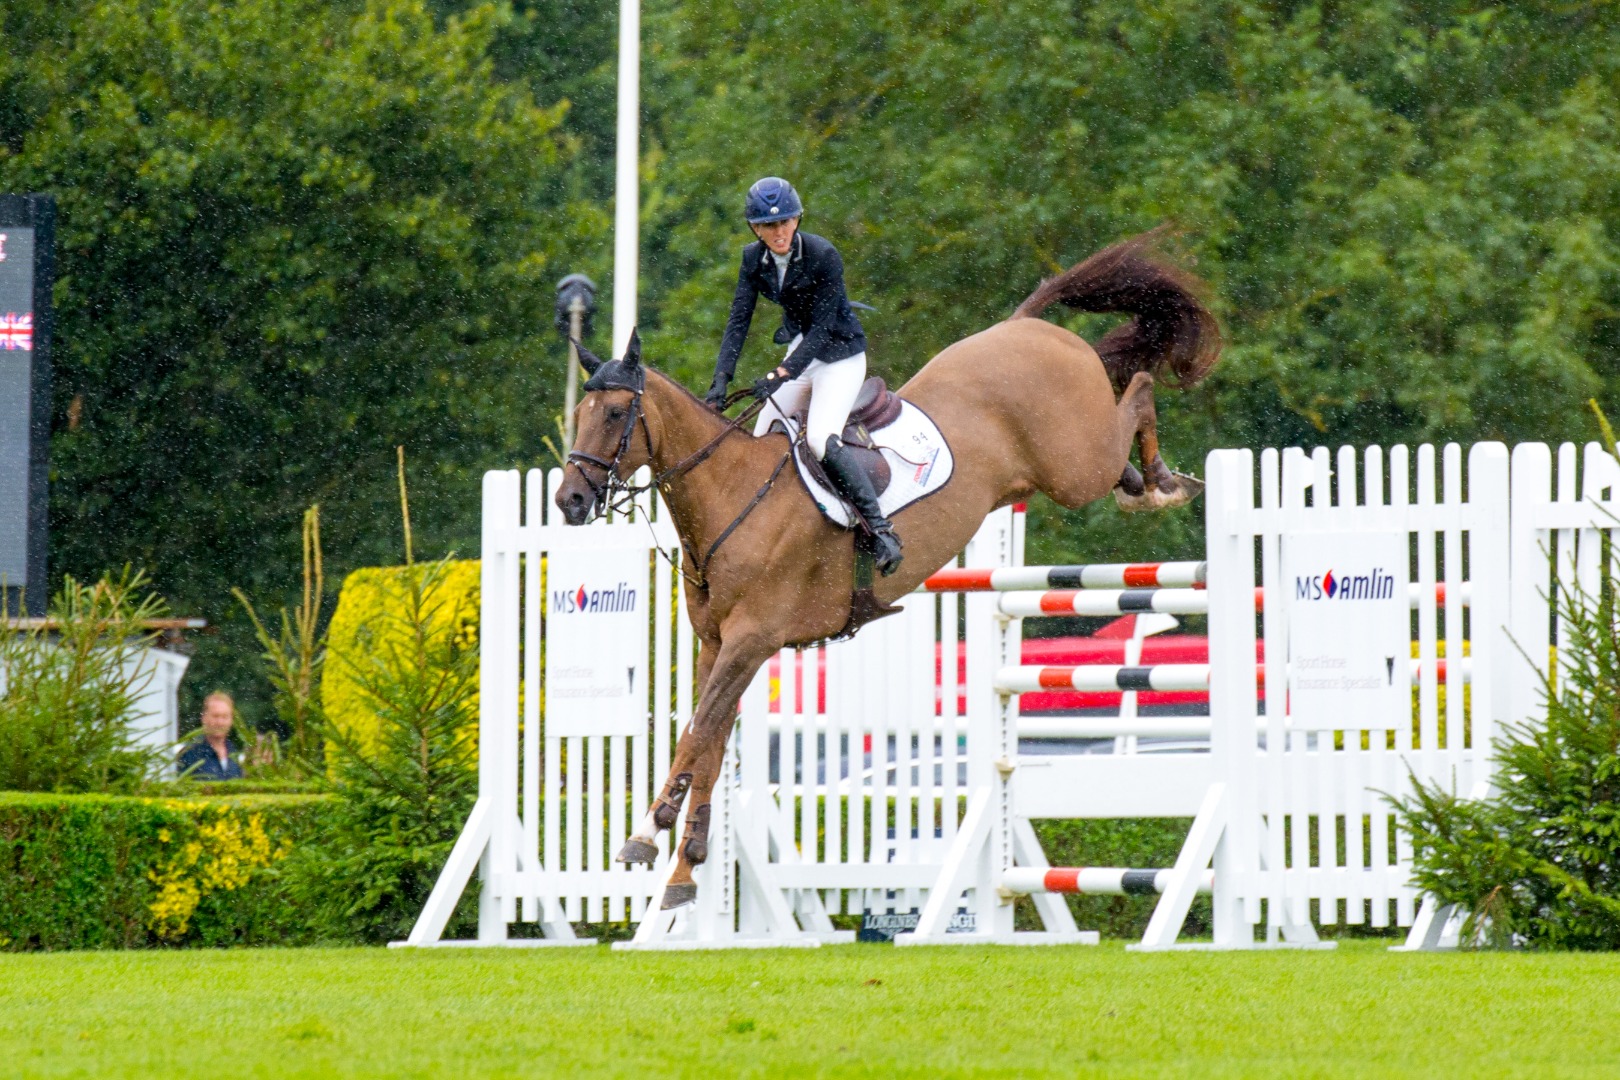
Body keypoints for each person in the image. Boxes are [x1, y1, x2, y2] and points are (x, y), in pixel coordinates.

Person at [704, 177, 904, 575]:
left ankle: (880, 531)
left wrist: (782, 372)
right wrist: (720, 381)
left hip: (841, 356)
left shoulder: (823, 254)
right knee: (760, 441)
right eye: (768, 225)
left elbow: (823, 329)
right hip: (802, 353)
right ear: (755, 229)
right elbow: (738, 321)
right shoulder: (752, 260)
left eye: (785, 223)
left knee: (818, 437)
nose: (778, 232)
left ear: (796, 220)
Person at [177, 691, 245, 780]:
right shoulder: (189, 753)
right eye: (215, 716)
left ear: (231, 720)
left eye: (225, 717)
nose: (220, 722)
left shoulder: (234, 754)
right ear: (204, 718)